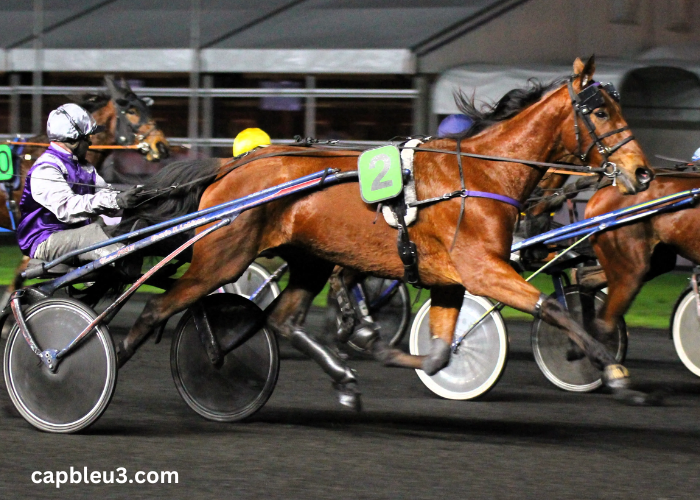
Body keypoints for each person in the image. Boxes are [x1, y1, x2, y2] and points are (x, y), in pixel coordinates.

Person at [16, 103, 142, 263]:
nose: (90, 143)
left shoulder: (85, 167)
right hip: (43, 240)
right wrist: (115, 201)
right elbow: (67, 209)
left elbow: (105, 198)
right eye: (87, 137)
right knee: (92, 232)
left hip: (75, 235)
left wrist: (133, 198)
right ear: (74, 139)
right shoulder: (47, 167)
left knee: (128, 228)